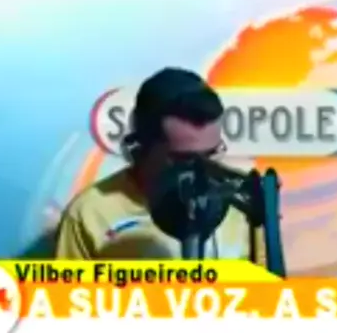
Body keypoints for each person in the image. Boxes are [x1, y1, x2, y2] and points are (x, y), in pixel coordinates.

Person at [55, 67, 265, 263]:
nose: (203, 172)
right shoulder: (89, 214)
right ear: (142, 146)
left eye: (211, 154)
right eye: (185, 160)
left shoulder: (243, 200)